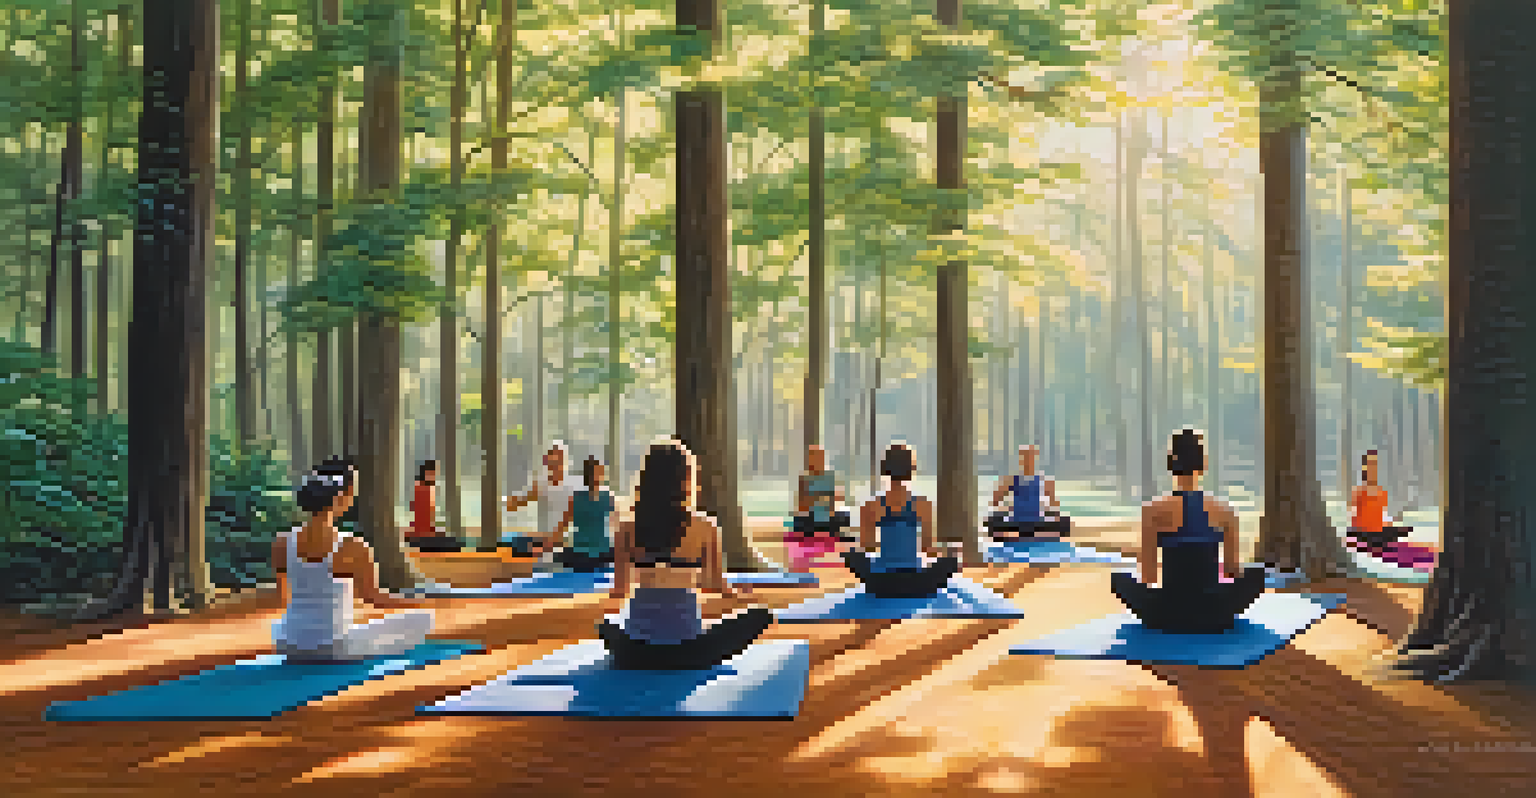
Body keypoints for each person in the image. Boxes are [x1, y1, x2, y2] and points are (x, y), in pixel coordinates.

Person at [597, 439, 773, 670]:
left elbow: (619, 590)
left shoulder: (626, 529)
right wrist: (740, 595)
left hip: (634, 651)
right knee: (760, 615)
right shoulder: (706, 526)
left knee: (605, 624)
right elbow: (715, 585)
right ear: (686, 480)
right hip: (690, 650)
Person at [270, 458, 434, 661]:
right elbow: (374, 598)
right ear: (342, 495)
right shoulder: (353, 545)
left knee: (283, 624)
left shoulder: (282, 542)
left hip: (288, 643)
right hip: (333, 647)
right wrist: (421, 603)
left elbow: (283, 598)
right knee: (423, 619)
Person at [1110, 429, 1267, 634]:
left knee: (1118, 579)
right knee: (1258, 574)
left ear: (1171, 466)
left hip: (1166, 613)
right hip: (1215, 612)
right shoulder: (1225, 511)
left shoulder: (1152, 511)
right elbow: (1231, 570)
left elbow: (1148, 576)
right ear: (1203, 465)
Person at [841, 443, 960, 598]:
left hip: (880, 583)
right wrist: (948, 550)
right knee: (952, 557)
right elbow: (927, 548)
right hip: (916, 582)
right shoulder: (923, 504)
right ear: (911, 469)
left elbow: (867, 546)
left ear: (885, 468)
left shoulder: (871, 505)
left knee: (851, 554)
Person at [785, 444, 855, 572]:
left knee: (845, 516)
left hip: (826, 515)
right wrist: (816, 499)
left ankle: (834, 533)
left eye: (820, 457)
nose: (818, 461)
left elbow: (832, 502)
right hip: (811, 515)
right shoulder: (804, 478)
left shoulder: (829, 476)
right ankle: (823, 532)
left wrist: (828, 507)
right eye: (814, 458)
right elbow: (801, 505)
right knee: (798, 521)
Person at [503, 442, 577, 557]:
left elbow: (569, 518)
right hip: (543, 539)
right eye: (551, 456)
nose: (554, 460)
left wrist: (552, 540)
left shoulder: (572, 486)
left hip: (562, 543)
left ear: (564, 461)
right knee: (514, 545)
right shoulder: (541, 483)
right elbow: (513, 504)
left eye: (558, 457)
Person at [545, 455, 617, 572]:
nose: (599, 477)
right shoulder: (577, 498)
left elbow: (616, 525)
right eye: (597, 472)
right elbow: (563, 525)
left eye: (601, 472)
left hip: (601, 553)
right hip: (582, 553)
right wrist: (547, 545)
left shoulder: (608, 497)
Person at [985, 444, 1071, 540]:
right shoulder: (1012, 479)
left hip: (1035, 521)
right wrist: (1001, 492)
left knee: (1065, 522)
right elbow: (995, 501)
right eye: (1025, 457)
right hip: (1017, 521)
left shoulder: (1043, 480)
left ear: (1034, 460)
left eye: (1030, 457)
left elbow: (1054, 504)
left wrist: (1053, 512)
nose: (1027, 461)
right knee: (992, 520)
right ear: (1020, 460)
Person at [1346, 449, 1414, 551]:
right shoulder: (1358, 492)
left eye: (1374, 465)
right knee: (1376, 536)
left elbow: (1382, 517)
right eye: (1369, 465)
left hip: (1377, 531)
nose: (1372, 469)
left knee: (1399, 530)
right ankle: (1379, 541)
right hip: (1364, 533)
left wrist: (1391, 521)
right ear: (1364, 468)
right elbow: (1353, 517)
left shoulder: (1381, 492)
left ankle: (1383, 539)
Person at [406, 460, 460, 552]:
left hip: (421, 536)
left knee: (453, 542)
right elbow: (426, 520)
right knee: (454, 544)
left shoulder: (419, 488)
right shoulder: (425, 490)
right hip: (423, 537)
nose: (434, 477)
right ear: (426, 473)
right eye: (432, 474)